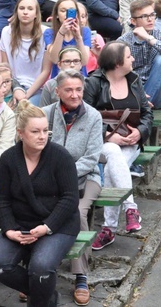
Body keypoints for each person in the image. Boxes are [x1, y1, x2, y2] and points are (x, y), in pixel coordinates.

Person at [0, 100, 79, 307]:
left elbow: (70, 198)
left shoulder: (60, 157)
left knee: (41, 268)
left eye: (46, 130)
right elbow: (2, 199)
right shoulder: (9, 159)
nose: (42, 136)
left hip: (57, 225)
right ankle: (47, 297)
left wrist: (46, 227)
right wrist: (9, 229)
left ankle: (40, 300)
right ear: (21, 133)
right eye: (35, 131)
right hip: (20, 223)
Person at [84, 42, 152, 250]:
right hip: (103, 141)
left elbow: (147, 112)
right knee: (114, 154)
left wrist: (139, 132)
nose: (133, 60)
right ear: (117, 62)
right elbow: (85, 116)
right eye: (129, 56)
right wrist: (106, 135)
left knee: (117, 164)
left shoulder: (134, 80)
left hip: (131, 140)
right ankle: (130, 208)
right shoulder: (94, 82)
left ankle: (109, 229)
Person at [42, 69, 102, 305]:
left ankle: (80, 275)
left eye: (78, 89)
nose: (75, 95)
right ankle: (38, 271)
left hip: (86, 177)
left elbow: (91, 157)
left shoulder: (94, 116)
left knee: (76, 211)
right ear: (57, 92)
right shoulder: (45, 114)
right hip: (48, 179)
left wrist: (62, 175)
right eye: (69, 90)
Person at [117, 0, 161, 110]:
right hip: (135, 92)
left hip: (159, 94)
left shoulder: (160, 35)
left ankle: (141, 105)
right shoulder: (124, 41)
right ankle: (142, 103)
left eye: (152, 15)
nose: (150, 19)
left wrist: (150, 39)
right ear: (133, 21)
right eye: (144, 16)